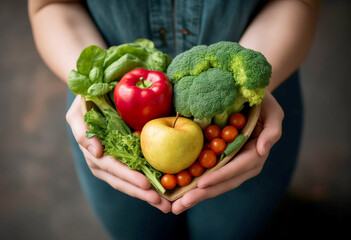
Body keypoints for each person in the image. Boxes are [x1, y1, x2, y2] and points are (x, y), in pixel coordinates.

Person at [28, 0, 320, 239]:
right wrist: (90, 96)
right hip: (114, 110)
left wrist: (250, 90)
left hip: (252, 119)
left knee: (233, 231)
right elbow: (50, 5)